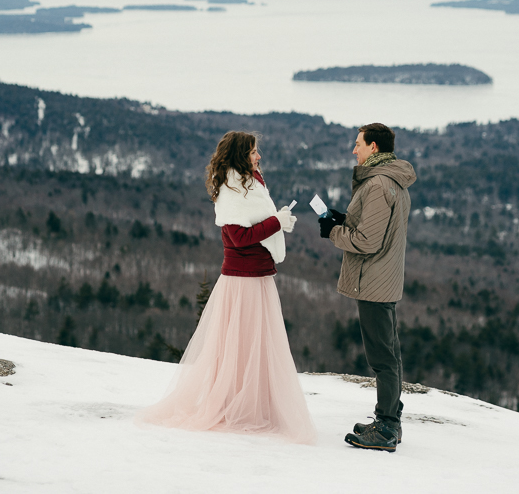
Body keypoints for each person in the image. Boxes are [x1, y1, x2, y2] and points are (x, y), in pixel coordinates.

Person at [137, 131, 317, 445]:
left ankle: (251, 405)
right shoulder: (233, 190)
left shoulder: (249, 182)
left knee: (253, 346)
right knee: (242, 346)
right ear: (239, 155)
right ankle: (238, 408)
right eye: (253, 152)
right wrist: (277, 222)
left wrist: (276, 220)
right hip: (243, 280)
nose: (258, 156)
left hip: (256, 276)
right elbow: (239, 237)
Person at [319, 122, 416, 452]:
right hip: (384, 278)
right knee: (389, 352)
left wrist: (333, 233)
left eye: (358, 143)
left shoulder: (377, 184)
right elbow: (375, 228)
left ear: (374, 147)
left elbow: (367, 240)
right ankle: (390, 420)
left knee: (383, 357)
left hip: (374, 280)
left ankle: (386, 427)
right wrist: (341, 220)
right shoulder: (393, 181)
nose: (353, 149)